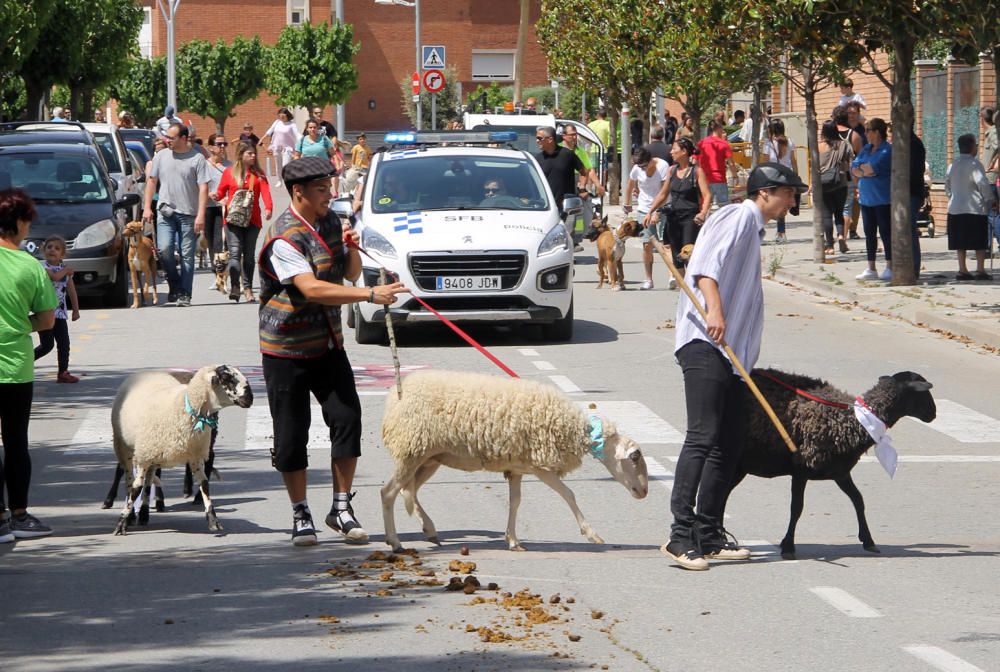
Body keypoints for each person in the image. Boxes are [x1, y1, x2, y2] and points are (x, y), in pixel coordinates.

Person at [662, 163, 807, 571]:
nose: (792, 200)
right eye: (788, 193)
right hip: (705, 343)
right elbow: (705, 267)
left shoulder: (751, 226)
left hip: (731, 355)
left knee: (729, 442)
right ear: (765, 193)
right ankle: (679, 536)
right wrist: (717, 313)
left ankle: (708, 533)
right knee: (703, 437)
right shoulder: (739, 216)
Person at [257, 157, 409, 547]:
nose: (330, 196)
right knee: (292, 434)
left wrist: (350, 246)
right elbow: (311, 289)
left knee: (347, 419)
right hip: (286, 348)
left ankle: (341, 507)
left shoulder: (329, 223)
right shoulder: (283, 237)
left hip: (327, 343)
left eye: (331, 188)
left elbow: (351, 273)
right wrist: (371, 295)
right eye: (322, 190)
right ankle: (300, 512)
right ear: (299, 193)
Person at [0, 188, 57, 541]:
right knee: (15, 441)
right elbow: (48, 320)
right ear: (19, 223)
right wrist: (21, 324)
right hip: (15, 366)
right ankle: (19, 515)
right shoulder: (29, 266)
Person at [142, 122, 211, 307]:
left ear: (183, 138)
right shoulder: (161, 156)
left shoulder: (197, 159)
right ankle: (175, 285)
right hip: (165, 212)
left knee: (187, 255)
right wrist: (147, 207)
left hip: (189, 214)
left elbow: (204, 188)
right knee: (164, 250)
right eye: (166, 137)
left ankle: (185, 294)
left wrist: (201, 215)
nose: (167, 141)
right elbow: (151, 181)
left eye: (171, 138)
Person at [646, 137, 712, 287]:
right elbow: (663, 194)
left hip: (690, 219)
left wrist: (702, 213)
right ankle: (685, 289)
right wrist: (651, 210)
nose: (671, 152)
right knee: (677, 258)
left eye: (674, 149)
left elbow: (707, 195)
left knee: (689, 254)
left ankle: (695, 287)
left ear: (684, 152)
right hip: (673, 219)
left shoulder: (697, 171)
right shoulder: (672, 170)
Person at [213, 141, 273, 303]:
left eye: (254, 153)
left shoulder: (259, 175)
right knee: (234, 253)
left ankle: (247, 288)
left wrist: (269, 208)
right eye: (249, 154)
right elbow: (221, 190)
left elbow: (266, 193)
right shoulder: (229, 172)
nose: (253, 156)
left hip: (253, 221)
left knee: (248, 256)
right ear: (241, 155)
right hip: (232, 220)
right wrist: (217, 197)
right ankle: (234, 286)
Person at [945, 133, 995, 281]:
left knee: (960, 241)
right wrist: (990, 199)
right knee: (979, 240)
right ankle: (980, 269)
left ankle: (962, 269)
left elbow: (947, 186)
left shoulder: (952, 165)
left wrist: (952, 197)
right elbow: (983, 184)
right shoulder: (975, 164)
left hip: (955, 208)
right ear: (972, 147)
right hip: (975, 209)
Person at [33, 235, 80, 383]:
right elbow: (54, 277)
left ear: (63, 254)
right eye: (49, 247)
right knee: (47, 345)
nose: (52, 250)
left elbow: (71, 290)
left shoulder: (64, 270)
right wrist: (66, 270)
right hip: (45, 313)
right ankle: (25, 361)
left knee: (64, 344)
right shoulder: (43, 268)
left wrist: (76, 310)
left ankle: (63, 372)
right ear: (43, 250)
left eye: (57, 248)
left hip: (59, 314)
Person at [851, 118, 892, 281]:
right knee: (869, 233)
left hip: (882, 198)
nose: (865, 134)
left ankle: (890, 266)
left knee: (885, 233)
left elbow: (873, 168)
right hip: (866, 199)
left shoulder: (887, 150)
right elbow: (854, 167)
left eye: (868, 131)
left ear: (877, 133)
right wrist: (862, 171)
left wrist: (863, 170)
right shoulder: (866, 149)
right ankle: (871, 267)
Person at [623, 148, 669, 290]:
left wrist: (657, 211)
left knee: (665, 245)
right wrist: (627, 202)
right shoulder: (637, 169)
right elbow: (630, 184)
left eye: (644, 166)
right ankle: (648, 278)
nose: (642, 169)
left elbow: (664, 192)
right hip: (644, 208)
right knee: (646, 245)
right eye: (639, 166)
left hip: (662, 207)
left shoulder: (662, 166)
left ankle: (672, 276)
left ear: (650, 161)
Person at [817, 120, 853, 254]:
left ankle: (830, 246)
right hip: (840, 181)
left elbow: (813, 166)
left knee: (827, 215)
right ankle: (841, 236)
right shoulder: (844, 144)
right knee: (839, 211)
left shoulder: (818, 146)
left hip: (823, 183)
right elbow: (850, 163)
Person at [534, 126, 585, 215]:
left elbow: (584, 171)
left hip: (566, 207)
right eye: (536, 138)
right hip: (546, 207)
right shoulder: (538, 159)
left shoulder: (567, 154)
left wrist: (582, 189)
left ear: (550, 139)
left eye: (539, 138)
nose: (537, 141)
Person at [764, 119, 799, 242]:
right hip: (787, 176)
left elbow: (766, 162)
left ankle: (769, 231)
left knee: (768, 203)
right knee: (782, 204)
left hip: (773, 176)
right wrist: (796, 175)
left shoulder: (768, 143)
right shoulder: (790, 141)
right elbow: (793, 161)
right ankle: (781, 232)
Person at [834, 105, 864, 240]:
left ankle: (850, 230)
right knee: (845, 205)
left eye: (854, 113)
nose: (851, 115)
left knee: (853, 203)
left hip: (850, 172)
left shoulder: (861, 129)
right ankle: (843, 231)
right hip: (847, 172)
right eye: (849, 113)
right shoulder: (850, 133)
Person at [697, 120, 738, 208]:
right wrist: (735, 176)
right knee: (723, 208)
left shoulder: (702, 143)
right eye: (722, 130)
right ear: (718, 129)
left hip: (704, 179)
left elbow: (695, 160)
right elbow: (731, 163)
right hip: (719, 179)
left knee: (706, 207)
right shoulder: (723, 144)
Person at [204, 133, 232, 260]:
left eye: (224, 144)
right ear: (210, 147)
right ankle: (215, 266)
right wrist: (208, 193)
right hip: (207, 206)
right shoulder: (203, 165)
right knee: (209, 237)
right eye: (219, 144)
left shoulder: (230, 166)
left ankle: (219, 267)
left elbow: (234, 185)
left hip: (224, 207)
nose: (222, 147)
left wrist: (227, 198)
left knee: (219, 239)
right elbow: (197, 185)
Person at [260, 107, 301, 184]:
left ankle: (287, 179)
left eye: (283, 116)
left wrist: (302, 140)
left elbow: (297, 134)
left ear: (287, 115)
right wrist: (262, 138)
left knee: (285, 165)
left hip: (287, 148)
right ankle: (279, 180)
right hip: (277, 146)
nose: (281, 118)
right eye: (280, 116)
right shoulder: (277, 122)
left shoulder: (292, 124)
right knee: (278, 165)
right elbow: (270, 130)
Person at [909, 131, 927, 276]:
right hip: (910, 192)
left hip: (912, 192)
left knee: (909, 228)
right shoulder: (909, 142)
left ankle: (914, 267)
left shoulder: (913, 144)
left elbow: (912, 170)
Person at [587, 109, 612, 178]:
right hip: (604, 150)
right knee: (604, 169)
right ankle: (603, 185)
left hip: (593, 150)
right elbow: (610, 136)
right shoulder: (608, 124)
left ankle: (593, 185)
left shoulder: (590, 124)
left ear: (597, 115)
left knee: (592, 169)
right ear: (605, 116)